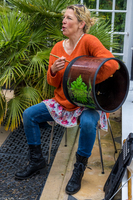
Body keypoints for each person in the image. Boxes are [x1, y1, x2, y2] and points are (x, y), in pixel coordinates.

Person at [15, 4, 119, 195]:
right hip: (64, 101)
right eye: (64, 17)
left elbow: (112, 65)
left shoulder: (89, 41)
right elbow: (53, 82)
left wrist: (86, 75)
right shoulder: (57, 47)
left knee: (88, 123)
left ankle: (78, 169)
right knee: (29, 114)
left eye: (69, 18)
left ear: (81, 24)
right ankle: (37, 161)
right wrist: (53, 71)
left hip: (87, 102)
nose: (63, 21)